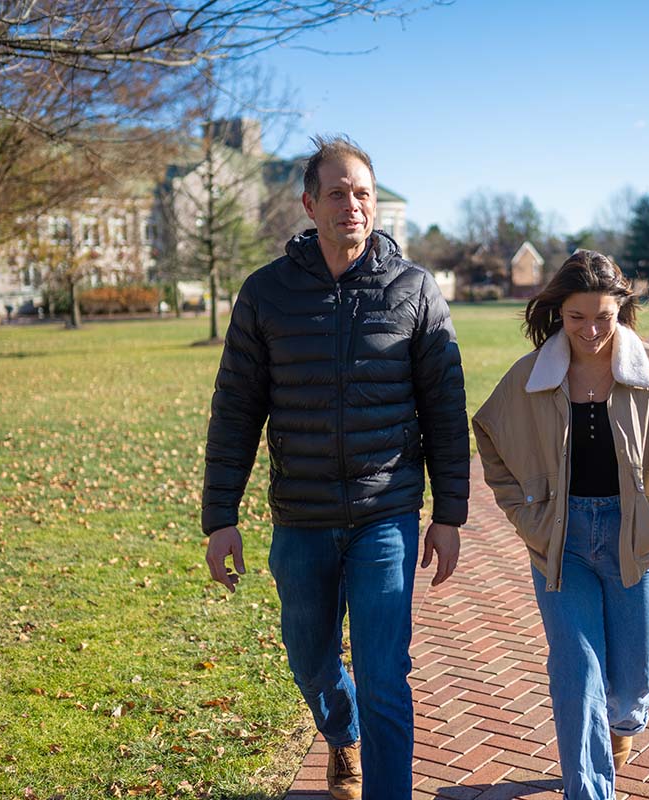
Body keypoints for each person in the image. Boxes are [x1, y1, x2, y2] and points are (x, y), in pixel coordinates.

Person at [200, 134, 469, 800]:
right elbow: (237, 409)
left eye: (364, 194)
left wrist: (450, 514)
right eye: (339, 193)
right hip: (303, 519)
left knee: (386, 676)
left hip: (387, 517)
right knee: (313, 663)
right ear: (309, 203)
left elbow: (445, 407)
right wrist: (220, 517)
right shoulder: (266, 294)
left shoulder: (413, 289)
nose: (353, 205)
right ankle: (339, 735)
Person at [472, 251, 649, 800]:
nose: (592, 330)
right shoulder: (533, 375)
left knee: (633, 683)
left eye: (604, 316)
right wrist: (526, 514)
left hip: (635, 537)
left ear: (622, 309)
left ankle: (622, 726)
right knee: (577, 676)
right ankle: (589, 789)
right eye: (577, 318)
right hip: (562, 542)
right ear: (558, 313)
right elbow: (489, 435)